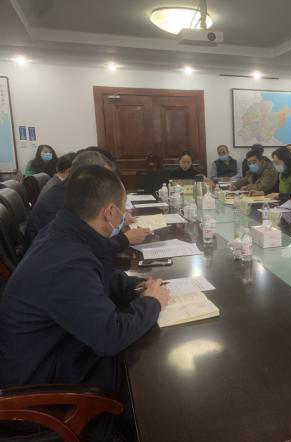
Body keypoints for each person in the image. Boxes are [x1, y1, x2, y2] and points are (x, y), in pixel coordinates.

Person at [0, 165, 170, 441]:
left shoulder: (66, 231)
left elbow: (99, 276)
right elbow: (110, 337)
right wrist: (152, 303)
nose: (124, 218)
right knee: (155, 382)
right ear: (110, 212)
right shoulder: (65, 260)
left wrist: (135, 286)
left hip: (55, 354)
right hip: (40, 398)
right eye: (122, 210)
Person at [25, 151, 149, 249]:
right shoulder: (62, 200)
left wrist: (117, 220)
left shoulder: (72, 190)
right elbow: (83, 246)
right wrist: (124, 240)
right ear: (88, 175)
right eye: (105, 177)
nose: (109, 183)